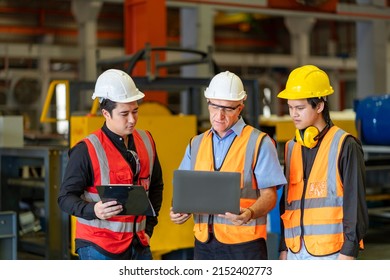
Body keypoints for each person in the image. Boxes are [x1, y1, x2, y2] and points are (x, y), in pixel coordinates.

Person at [170, 71, 287, 260]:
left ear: (240, 107)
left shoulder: (258, 143)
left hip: (245, 245)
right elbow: (184, 191)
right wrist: (178, 210)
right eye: (214, 106)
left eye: (228, 109)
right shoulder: (196, 143)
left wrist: (249, 213)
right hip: (204, 243)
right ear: (208, 101)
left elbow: (270, 196)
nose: (219, 115)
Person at [58, 69, 164, 260]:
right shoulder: (86, 149)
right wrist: (93, 210)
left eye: (135, 111)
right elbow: (65, 198)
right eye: (124, 113)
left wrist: (149, 228)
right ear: (106, 113)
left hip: (139, 244)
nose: (132, 119)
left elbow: (156, 187)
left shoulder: (146, 141)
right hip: (98, 246)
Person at [277, 65, 369, 260]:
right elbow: (287, 204)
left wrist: (348, 253)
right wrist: (283, 248)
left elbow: (355, 205)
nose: (294, 114)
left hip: (332, 254)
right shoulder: (291, 147)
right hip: (294, 252)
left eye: (300, 108)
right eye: (291, 107)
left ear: (319, 106)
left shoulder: (346, 145)